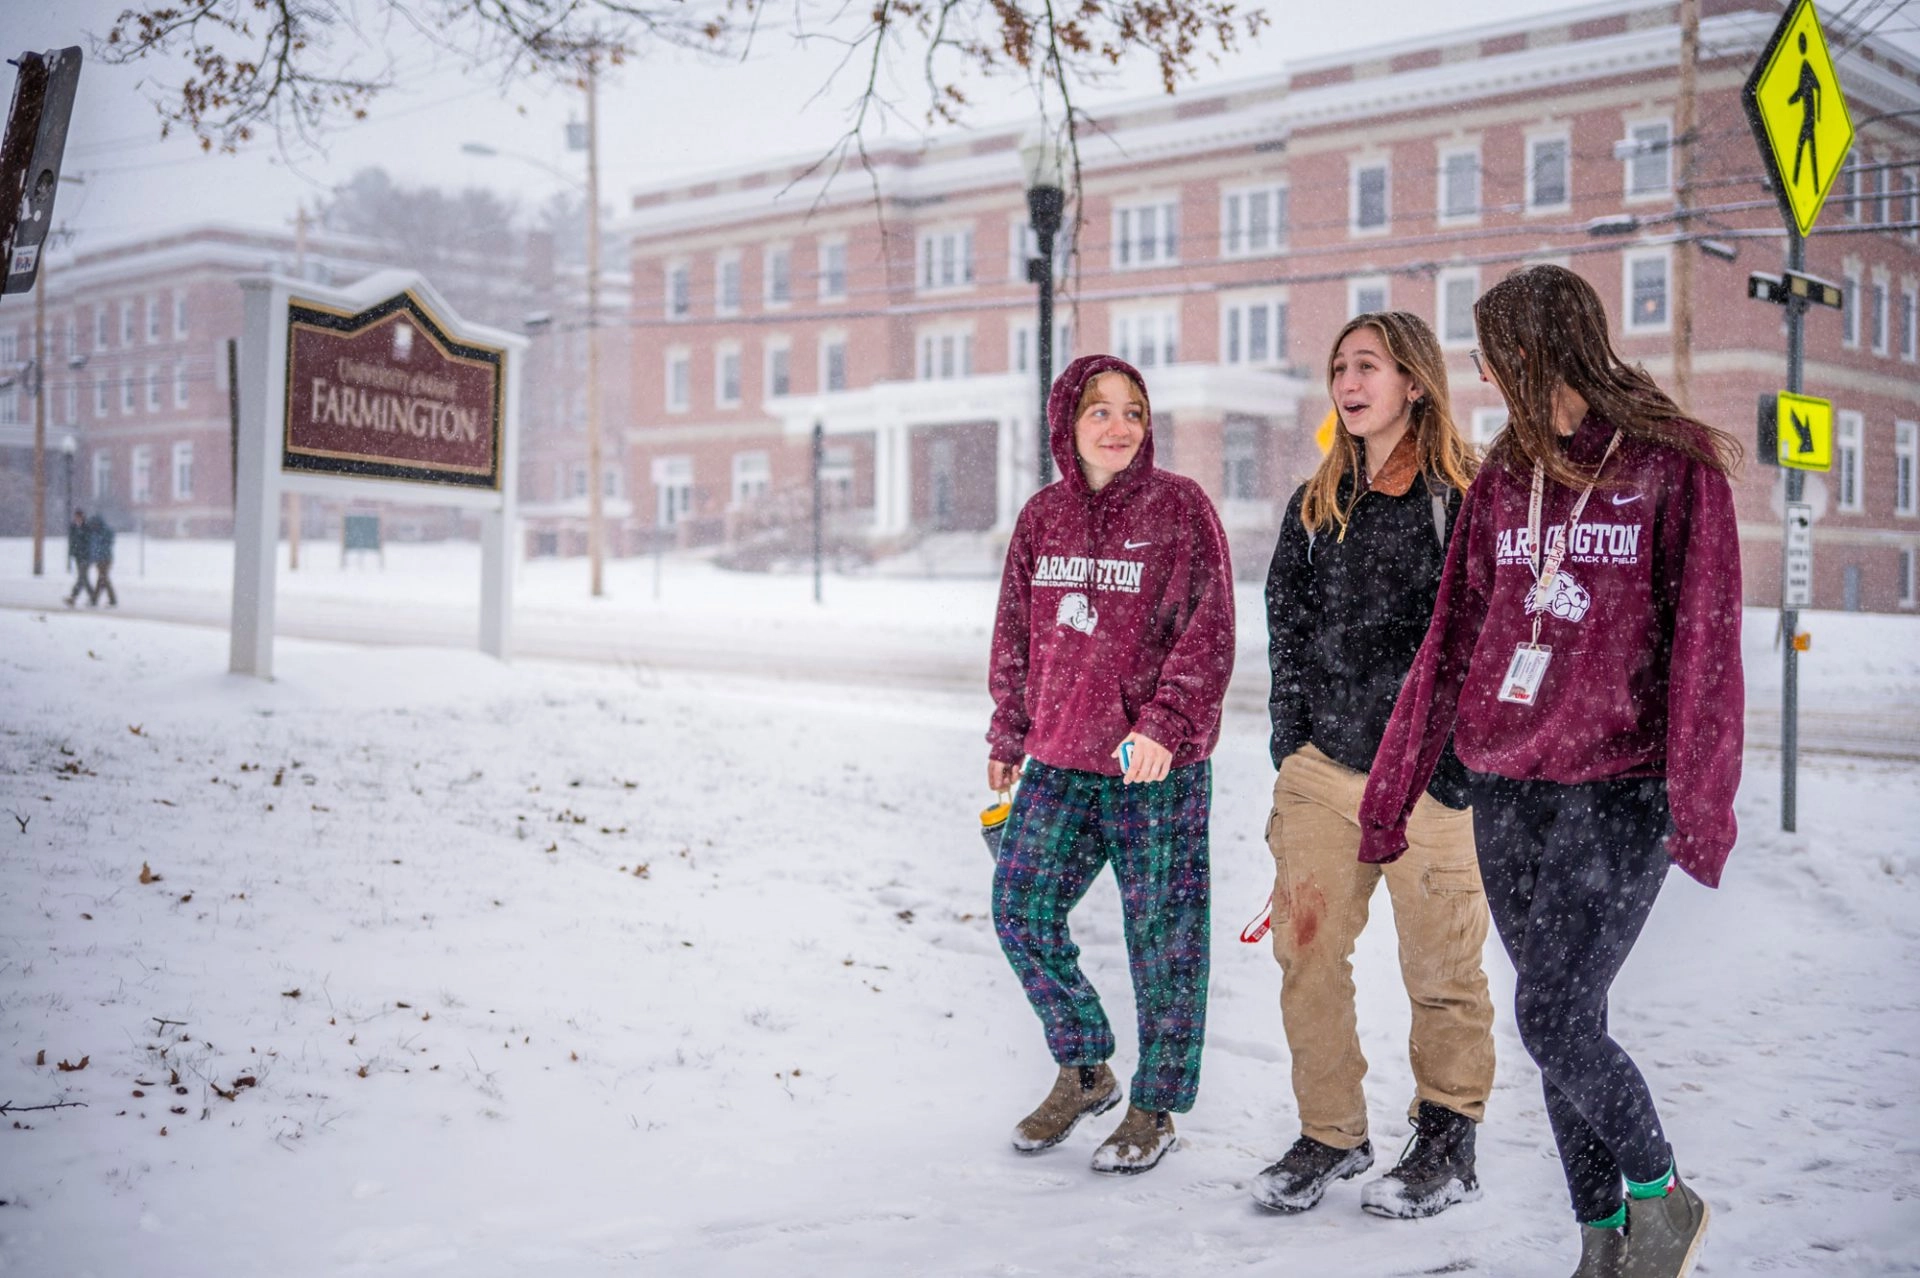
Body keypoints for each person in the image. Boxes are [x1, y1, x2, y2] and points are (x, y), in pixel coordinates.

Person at [1359, 265, 1743, 1278]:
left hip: (1621, 784)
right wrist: (1395, 786)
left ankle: (1663, 1197)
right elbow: (1453, 637)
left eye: (1491, 351)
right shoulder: (1505, 469)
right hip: (1510, 781)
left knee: (1553, 1017)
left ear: (1537, 351)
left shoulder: (1671, 464)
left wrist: (1697, 803)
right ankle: (1601, 1238)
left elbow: (1706, 640)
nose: (1481, 370)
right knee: (1562, 1019)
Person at [1252, 312, 1495, 1220]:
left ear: (1416, 384)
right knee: (1305, 954)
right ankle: (1331, 1134)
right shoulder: (1317, 503)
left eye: (1369, 366)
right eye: (1339, 367)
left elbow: (1486, 637)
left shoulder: (1461, 502)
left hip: (1429, 778)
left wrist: (1457, 765)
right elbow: (1286, 628)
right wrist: (1292, 743)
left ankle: (1446, 1140)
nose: (1349, 383)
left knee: (1441, 970)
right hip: (1324, 771)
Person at [987, 353, 1235, 1175]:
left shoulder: (1180, 509)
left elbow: (1210, 632)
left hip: (1152, 767)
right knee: (1020, 906)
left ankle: (1156, 1104)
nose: (1120, 426)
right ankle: (1086, 1062)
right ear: (1068, 422)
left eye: (1133, 410)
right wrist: (1007, 732)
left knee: (1163, 941)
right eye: (1101, 411)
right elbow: (1017, 635)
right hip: (1058, 760)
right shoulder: (1042, 518)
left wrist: (1167, 723)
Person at [83, 511, 118, 607]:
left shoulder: (104, 532)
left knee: (103, 579)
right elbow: (94, 547)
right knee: (102, 579)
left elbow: (104, 545)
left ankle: (106, 599)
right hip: (100, 559)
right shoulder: (95, 532)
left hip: (105, 559)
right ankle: (96, 599)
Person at [64, 508, 95, 608]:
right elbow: (72, 542)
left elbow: (88, 541)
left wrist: (81, 535)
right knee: (83, 578)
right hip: (78, 556)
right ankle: (93, 597)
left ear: (82, 517)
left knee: (82, 578)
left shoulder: (87, 527)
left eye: (79, 517)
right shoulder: (73, 527)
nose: (77, 519)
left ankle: (73, 597)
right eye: (76, 517)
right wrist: (72, 553)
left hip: (86, 556)